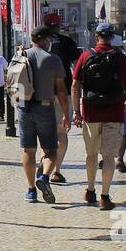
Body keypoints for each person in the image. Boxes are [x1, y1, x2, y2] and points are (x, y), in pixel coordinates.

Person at [71, 22, 126, 210]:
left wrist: (76, 111)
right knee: (108, 157)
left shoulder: (85, 56)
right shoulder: (119, 57)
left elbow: (75, 86)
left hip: (91, 112)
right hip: (114, 112)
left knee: (91, 154)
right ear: (112, 37)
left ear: (96, 36)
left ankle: (90, 190)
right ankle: (105, 197)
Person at [15, 27, 71, 203]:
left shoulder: (19, 56)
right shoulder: (53, 59)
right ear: (46, 39)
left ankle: (31, 190)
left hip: (24, 107)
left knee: (29, 150)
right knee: (50, 150)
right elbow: (61, 90)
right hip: (44, 107)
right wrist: (67, 113)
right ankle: (44, 177)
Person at [44, 29, 82, 184]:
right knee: (61, 133)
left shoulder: (39, 43)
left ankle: (44, 164)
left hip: (43, 93)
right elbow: (76, 63)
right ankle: (56, 171)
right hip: (63, 92)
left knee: (45, 134)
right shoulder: (67, 42)